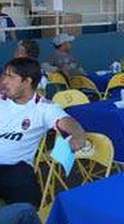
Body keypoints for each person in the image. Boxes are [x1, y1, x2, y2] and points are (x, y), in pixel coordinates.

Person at [0, 58, 86, 207]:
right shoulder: (2, 99)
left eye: (11, 77)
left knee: (27, 210)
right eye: (4, 75)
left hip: (15, 168)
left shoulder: (44, 108)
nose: (4, 81)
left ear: (27, 81)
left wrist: (78, 135)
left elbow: (66, 121)